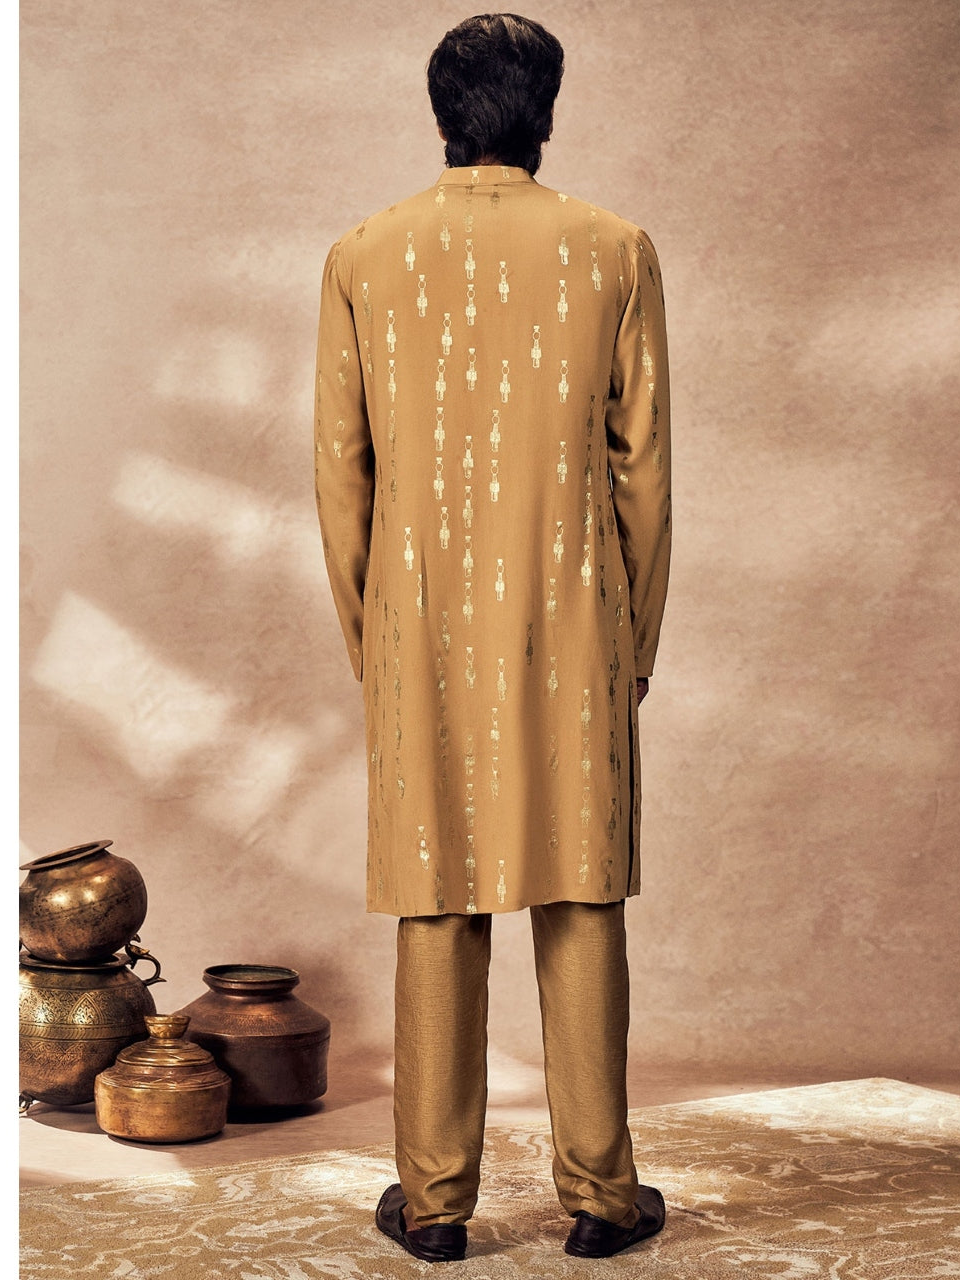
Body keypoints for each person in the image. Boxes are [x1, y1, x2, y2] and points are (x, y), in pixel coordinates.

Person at [314, 12, 671, 1263]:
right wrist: (631, 643)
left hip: (417, 621)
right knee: (581, 890)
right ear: (546, 113)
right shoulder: (615, 249)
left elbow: (342, 475)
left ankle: (435, 1204)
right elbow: (641, 472)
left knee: (435, 893)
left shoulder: (363, 254)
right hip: (575, 612)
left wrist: (374, 644)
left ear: (440, 116)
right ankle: (601, 1195)